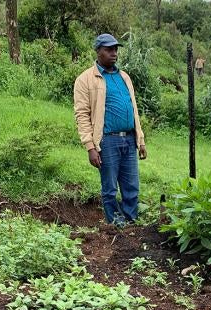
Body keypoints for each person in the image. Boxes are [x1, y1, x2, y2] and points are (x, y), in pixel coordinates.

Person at [74, 33, 147, 227]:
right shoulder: (85, 80)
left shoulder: (124, 76)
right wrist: (90, 147)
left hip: (129, 138)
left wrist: (140, 140)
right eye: (108, 49)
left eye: (115, 49)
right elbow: (82, 115)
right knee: (110, 188)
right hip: (107, 141)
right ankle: (115, 224)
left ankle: (130, 222)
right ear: (98, 51)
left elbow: (133, 108)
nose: (114, 53)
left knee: (132, 186)